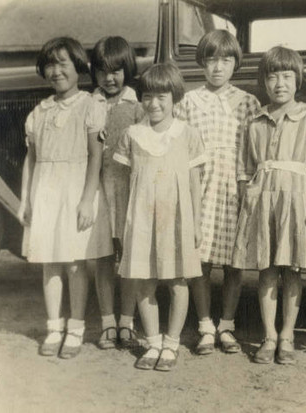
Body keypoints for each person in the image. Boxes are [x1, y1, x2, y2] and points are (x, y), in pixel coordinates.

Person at [18, 37, 113, 359]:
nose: (56, 71)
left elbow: (95, 157)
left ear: (78, 68)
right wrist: (25, 200)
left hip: (75, 189)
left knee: (74, 264)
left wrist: (87, 200)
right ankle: (53, 327)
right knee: (50, 263)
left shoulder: (91, 105)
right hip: (46, 189)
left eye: (63, 64)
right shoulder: (39, 111)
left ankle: (75, 328)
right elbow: (31, 160)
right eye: (50, 64)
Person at [233, 46, 306, 364]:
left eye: (287, 76)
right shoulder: (256, 121)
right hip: (263, 202)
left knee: (292, 271)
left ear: (298, 80)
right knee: (267, 271)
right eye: (272, 76)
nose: (279, 84)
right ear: (263, 81)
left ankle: (287, 335)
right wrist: (247, 201)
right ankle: (269, 336)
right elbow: (246, 170)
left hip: (295, 201)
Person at [113, 63, 206, 371]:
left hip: (176, 219)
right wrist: (123, 226)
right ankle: (152, 342)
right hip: (141, 219)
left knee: (178, 281)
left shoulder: (188, 134)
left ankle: (171, 343)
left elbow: (194, 183)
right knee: (144, 282)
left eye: (161, 97)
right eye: (148, 96)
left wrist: (195, 223)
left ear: (174, 97)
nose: (154, 104)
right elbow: (124, 185)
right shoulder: (132, 135)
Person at [176, 30, 260, 355]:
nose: (217, 67)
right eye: (211, 59)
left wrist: (248, 189)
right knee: (201, 259)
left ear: (235, 63)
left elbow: (252, 152)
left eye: (225, 59)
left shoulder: (248, 102)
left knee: (234, 262)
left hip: (235, 186)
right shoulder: (188, 102)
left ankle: (227, 325)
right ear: (202, 62)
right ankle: (205, 325)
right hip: (202, 185)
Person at [90, 36, 144, 350]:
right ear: (94, 72)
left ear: (127, 70)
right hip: (99, 190)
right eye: (103, 71)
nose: (110, 78)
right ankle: (107, 321)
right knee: (103, 258)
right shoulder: (89, 103)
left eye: (117, 70)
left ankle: (127, 321)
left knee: (129, 258)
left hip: (127, 190)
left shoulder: (137, 107)